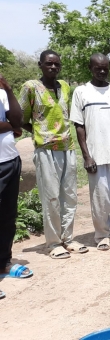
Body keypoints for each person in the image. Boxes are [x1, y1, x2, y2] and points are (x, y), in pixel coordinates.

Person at [19, 50, 86, 259]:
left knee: (70, 196)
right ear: (40, 65)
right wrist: (40, 133)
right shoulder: (31, 88)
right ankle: (53, 242)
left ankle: (68, 238)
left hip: (67, 147)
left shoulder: (64, 86)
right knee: (51, 197)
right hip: (46, 150)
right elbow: (21, 118)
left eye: (57, 64)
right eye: (49, 64)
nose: (53, 68)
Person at [71, 53, 110, 251]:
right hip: (96, 153)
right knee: (100, 196)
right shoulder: (81, 92)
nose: (102, 71)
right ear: (91, 68)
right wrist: (87, 156)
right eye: (98, 68)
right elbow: (79, 126)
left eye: (105, 68)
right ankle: (102, 235)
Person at [0, 73, 33, 296]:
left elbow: (18, 120)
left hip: (9, 160)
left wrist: (8, 89)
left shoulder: (2, 93)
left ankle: (4, 263)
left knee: (7, 216)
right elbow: (13, 125)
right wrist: (11, 127)